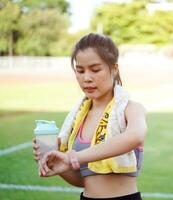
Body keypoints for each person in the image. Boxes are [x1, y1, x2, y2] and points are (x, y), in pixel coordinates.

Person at [32, 33, 147, 200]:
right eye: (80, 71)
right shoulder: (78, 118)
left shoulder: (130, 109)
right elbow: (83, 180)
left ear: (114, 69)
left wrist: (73, 157)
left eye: (95, 70)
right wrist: (57, 163)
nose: (86, 78)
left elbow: (135, 136)